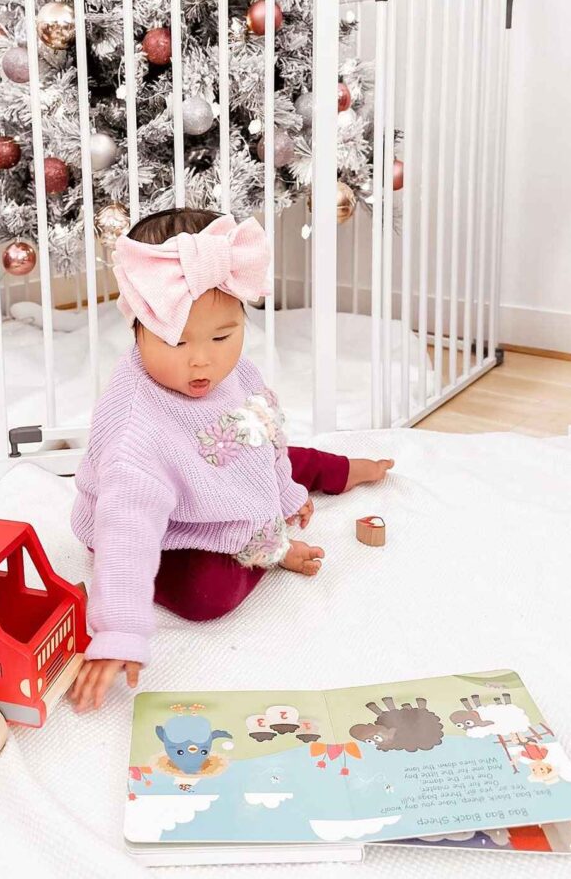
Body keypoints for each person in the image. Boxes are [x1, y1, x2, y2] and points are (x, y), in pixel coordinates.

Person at [70, 209, 393, 710]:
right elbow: (127, 533)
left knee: (270, 446)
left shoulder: (231, 371)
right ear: (136, 328)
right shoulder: (136, 432)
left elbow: (265, 429)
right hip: (169, 528)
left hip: (219, 471)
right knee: (209, 596)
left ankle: (342, 470)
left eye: (222, 336)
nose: (203, 360)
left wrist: (283, 493)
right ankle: (262, 544)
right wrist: (118, 632)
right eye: (176, 341)